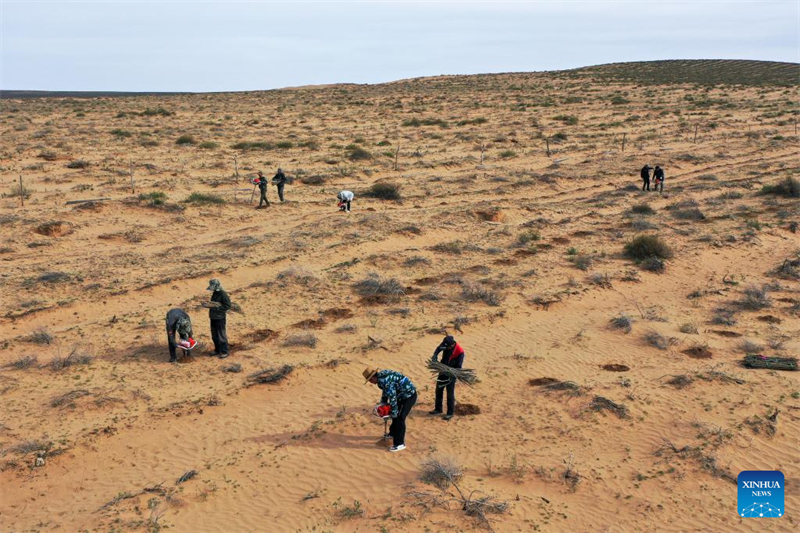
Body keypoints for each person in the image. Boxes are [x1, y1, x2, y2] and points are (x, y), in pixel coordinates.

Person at [363, 367, 417, 452]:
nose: (370, 382)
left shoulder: (385, 380)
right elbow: (386, 391)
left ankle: (400, 444)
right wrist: (383, 402)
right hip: (400, 395)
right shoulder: (381, 379)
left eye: (370, 380)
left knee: (399, 418)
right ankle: (392, 434)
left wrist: (394, 411)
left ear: (374, 376)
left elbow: (392, 397)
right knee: (395, 415)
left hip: (408, 396)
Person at [429, 335, 465, 421]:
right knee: (439, 389)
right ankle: (438, 409)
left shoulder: (459, 352)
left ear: (452, 345)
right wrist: (435, 355)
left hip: (451, 374)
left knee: (449, 393)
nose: (445, 348)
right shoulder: (446, 343)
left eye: (447, 347)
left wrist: (449, 371)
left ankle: (450, 413)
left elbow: (458, 367)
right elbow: (438, 349)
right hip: (442, 370)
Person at [206, 278, 231, 358]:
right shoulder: (215, 293)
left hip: (220, 318)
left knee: (221, 335)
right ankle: (217, 350)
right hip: (213, 317)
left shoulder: (222, 294)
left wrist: (217, 308)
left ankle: (224, 351)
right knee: (214, 335)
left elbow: (227, 305)